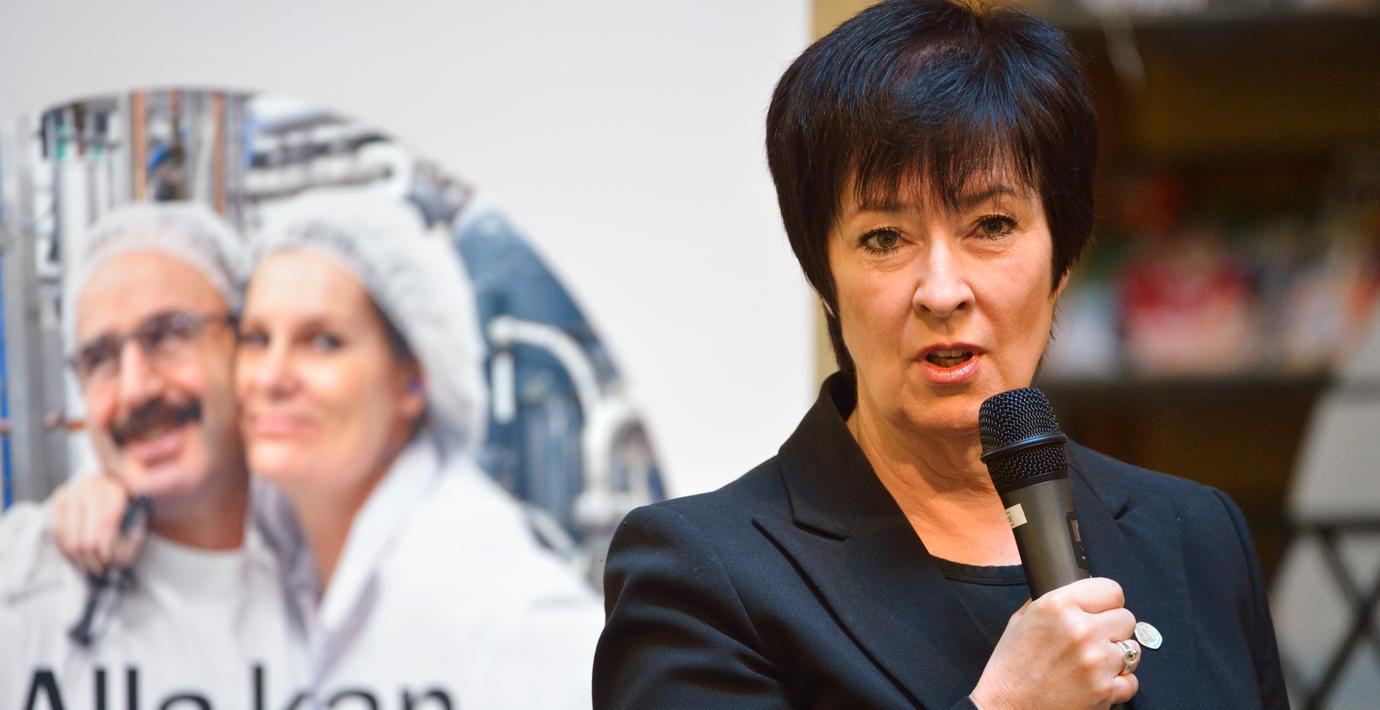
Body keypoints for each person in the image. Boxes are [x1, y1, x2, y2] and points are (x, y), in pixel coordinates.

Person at [593, 2, 1289, 709]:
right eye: (884, 238)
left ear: (1063, 262)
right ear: (824, 278)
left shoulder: (1194, 534)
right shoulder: (702, 577)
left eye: (992, 224)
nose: (942, 291)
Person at [236, 191, 604, 707]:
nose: (271, 377)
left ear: (413, 380)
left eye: (323, 342)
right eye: (255, 339)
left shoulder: (500, 607)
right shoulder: (268, 551)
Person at [0, 203, 299, 709]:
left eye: (169, 335)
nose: (136, 389)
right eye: (99, 358)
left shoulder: (342, 577)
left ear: (247, 345)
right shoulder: (25, 587)